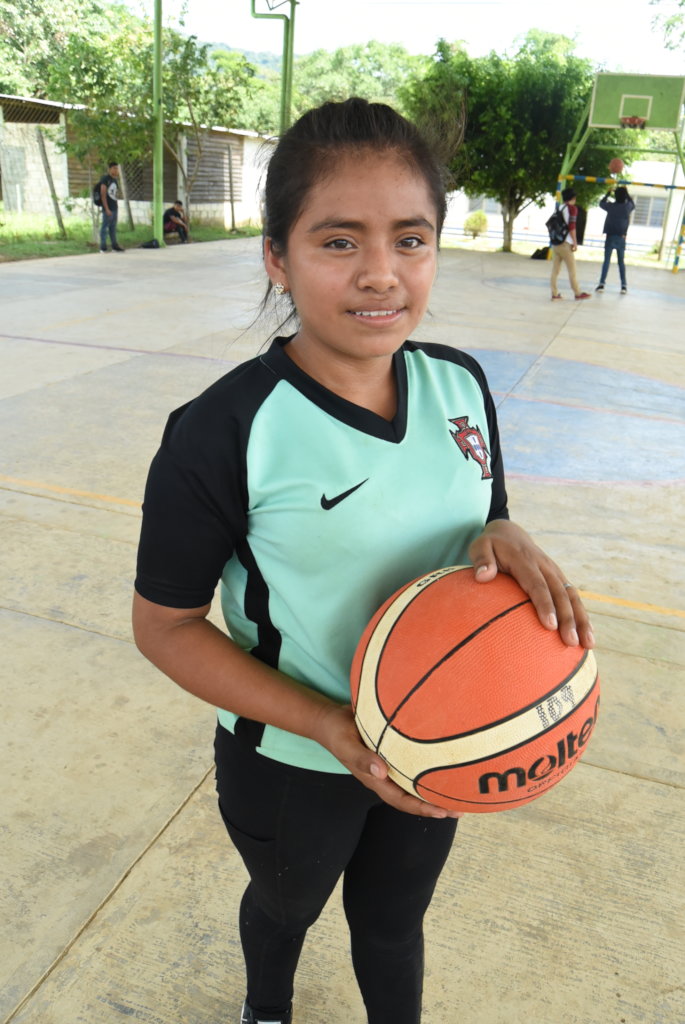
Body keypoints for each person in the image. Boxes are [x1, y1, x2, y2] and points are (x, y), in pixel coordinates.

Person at [132, 98, 594, 1024]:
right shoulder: (223, 432)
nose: (382, 275)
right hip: (297, 759)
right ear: (278, 256)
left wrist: (500, 531)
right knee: (286, 906)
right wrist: (335, 726)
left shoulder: (457, 381)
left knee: (394, 920)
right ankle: (266, 1009)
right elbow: (166, 628)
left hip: (440, 738)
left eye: (410, 239)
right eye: (338, 241)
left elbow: (477, 510)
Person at [550, 187, 590, 301]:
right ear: (573, 198)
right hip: (565, 243)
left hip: (556, 243)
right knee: (572, 270)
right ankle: (577, 293)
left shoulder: (559, 208)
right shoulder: (572, 209)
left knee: (555, 270)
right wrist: (575, 242)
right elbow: (572, 227)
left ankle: (554, 293)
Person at [595, 185, 635, 294]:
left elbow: (601, 203)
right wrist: (626, 192)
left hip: (610, 236)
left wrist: (608, 193)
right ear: (625, 196)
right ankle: (623, 286)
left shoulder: (611, 206)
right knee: (621, 262)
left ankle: (601, 284)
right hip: (621, 237)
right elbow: (633, 204)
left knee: (606, 261)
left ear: (615, 196)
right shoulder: (627, 207)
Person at [97, 161, 124, 253]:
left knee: (113, 227)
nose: (116, 170)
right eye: (114, 168)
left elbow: (115, 194)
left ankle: (114, 245)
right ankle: (103, 246)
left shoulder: (115, 180)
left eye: (117, 168)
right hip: (108, 208)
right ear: (109, 169)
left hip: (114, 207)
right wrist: (106, 208)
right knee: (105, 227)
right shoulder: (105, 179)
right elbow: (103, 194)